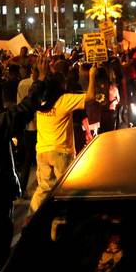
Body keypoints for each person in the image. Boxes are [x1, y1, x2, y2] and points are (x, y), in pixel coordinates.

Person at [29, 59, 96, 214]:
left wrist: (46, 72)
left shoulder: (40, 102)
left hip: (42, 152)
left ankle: (31, 219)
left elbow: (43, 84)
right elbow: (91, 96)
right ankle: (60, 221)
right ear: (61, 86)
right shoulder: (64, 100)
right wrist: (92, 75)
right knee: (65, 190)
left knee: (43, 189)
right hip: (61, 152)